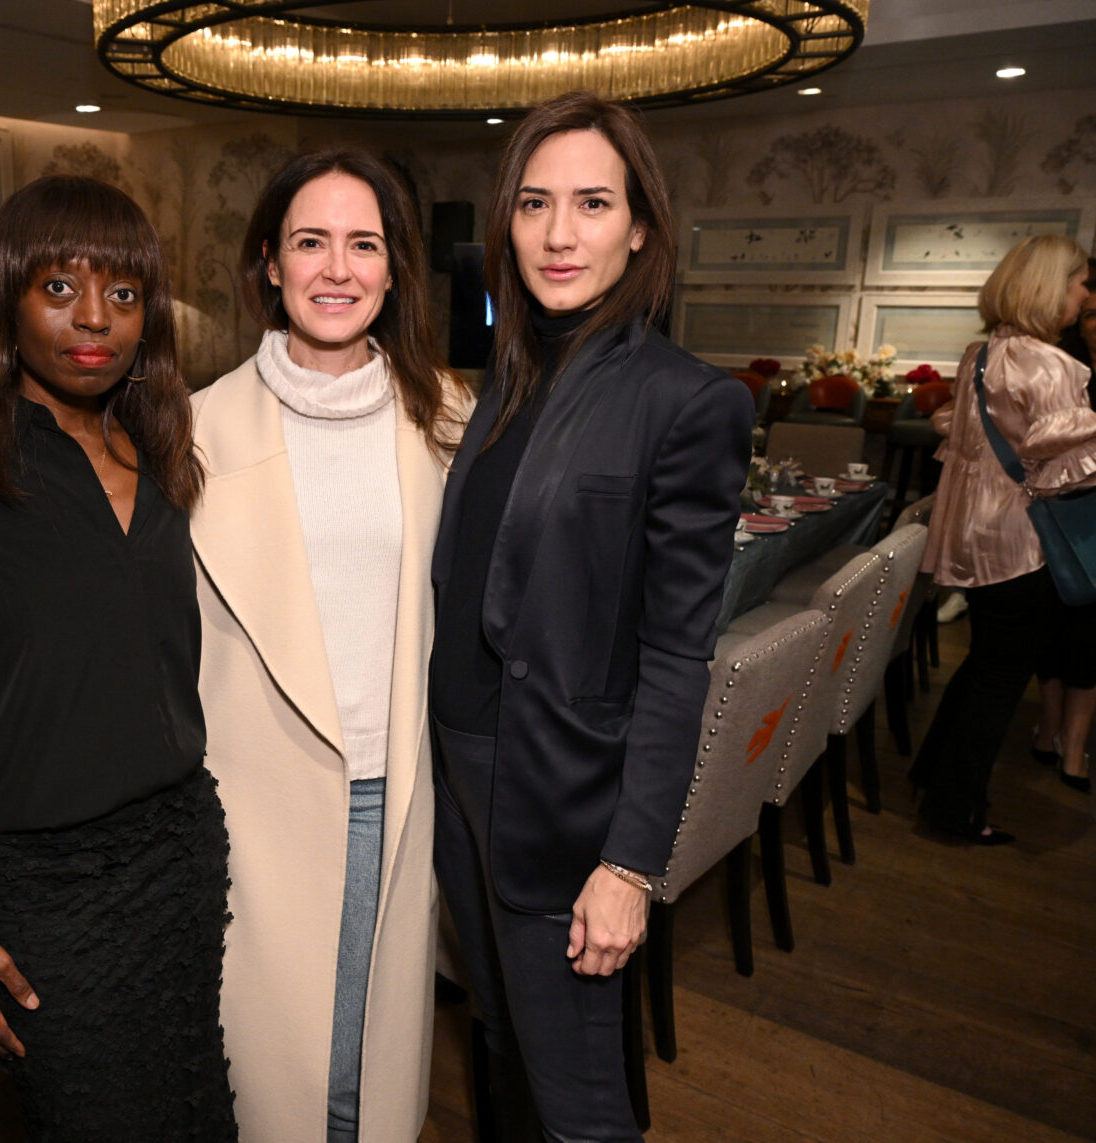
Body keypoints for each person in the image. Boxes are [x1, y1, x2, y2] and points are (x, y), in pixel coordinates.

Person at [0, 176, 236, 1142]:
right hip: (37, 885)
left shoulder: (162, 451)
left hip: (178, 853)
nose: (94, 321)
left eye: (122, 294)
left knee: (198, 1107)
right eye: (60, 288)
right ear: (6, 301)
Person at [428, 92, 752, 1140]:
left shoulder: (687, 400)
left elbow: (675, 657)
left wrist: (627, 865)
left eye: (592, 203)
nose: (559, 233)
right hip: (461, 772)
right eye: (533, 203)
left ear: (640, 225)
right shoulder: (510, 376)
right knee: (496, 1037)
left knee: (579, 1104)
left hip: (559, 798)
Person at [189, 149, 468, 1143]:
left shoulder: (448, 422)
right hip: (246, 816)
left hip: (393, 792)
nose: (337, 269)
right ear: (269, 262)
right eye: (311, 242)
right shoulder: (191, 433)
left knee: (362, 1080)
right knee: (271, 1081)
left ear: (395, 270)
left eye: (365, 244)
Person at [911, 237, 1096, 841]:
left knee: (983, 667)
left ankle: (935, 779)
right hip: (1023, 544)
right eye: (1080, 283)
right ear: (1053, 288)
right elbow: (1063, 464)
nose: (1084, 295)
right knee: (999, 681)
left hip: (976, 539)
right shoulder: (1051, 363)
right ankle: (955, 813)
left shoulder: (982, 353)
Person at [1032, 260, 1096, 792]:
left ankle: (1076, 746)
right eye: (1092, 314)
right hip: (1066, 517)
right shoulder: (1063, 369)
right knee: (1053, 629)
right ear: (1078, 323)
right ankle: (1049, 726)